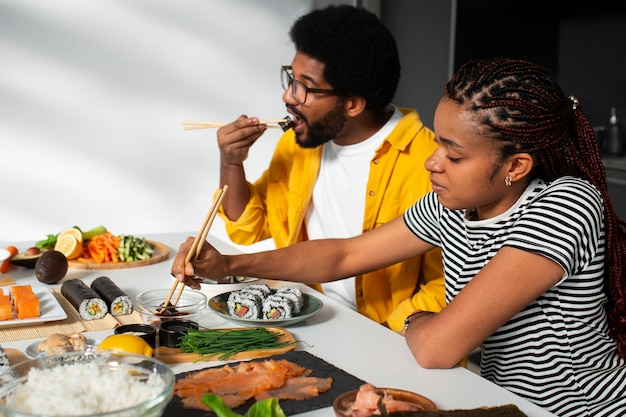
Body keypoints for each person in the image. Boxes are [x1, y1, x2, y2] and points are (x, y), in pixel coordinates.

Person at [173, 57, 626, 417]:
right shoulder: (455, 203)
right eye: (437, 143)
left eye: (454, 152)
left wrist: (415, 322)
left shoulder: (565, 204)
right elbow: (344, 255)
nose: (433, 162)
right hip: (494, 394)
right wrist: (228, 267)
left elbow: (436, 349)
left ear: (515, 167)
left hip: (578, 409)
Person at [212, 5, 444, 330]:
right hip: (309, 318)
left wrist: (380, 339)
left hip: (387, 336)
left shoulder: (431, 162)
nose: (287, 96)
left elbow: (446, 286)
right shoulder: (298, 142)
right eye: (291, 78)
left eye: (303, 87)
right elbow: (248, 227)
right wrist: (231, 163)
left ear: (352, 104)